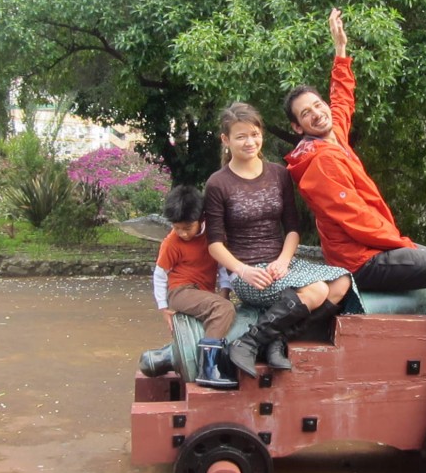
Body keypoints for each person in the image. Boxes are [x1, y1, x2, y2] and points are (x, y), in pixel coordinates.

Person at [283, 8, 426, 405]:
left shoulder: (332, 139)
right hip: (363, 259)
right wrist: (404, 244)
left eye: (317, 105)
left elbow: (342, 101)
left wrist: (340, 52)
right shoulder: (319, 162)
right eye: (307, 114)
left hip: (376, 248)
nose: (318, 113)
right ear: (298, 127)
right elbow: (356, 222)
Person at [204, 101, 354, 379]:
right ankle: (248, 342)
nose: (250, 142)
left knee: (343, 280)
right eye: (241, 136)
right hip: (248, 273)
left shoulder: (279, 174)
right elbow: (214, 243)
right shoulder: (217, 183)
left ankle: (274, 339)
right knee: (317, 290)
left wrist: (284, 261)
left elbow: (293, 228)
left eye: (255, 134)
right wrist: (243, 270)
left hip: (282, 264)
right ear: (226, 140)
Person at [145, 185, 238, 388]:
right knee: (223, 309)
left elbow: (222, 267)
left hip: (202, 291)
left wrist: (224, 292)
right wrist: (163, 308)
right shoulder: (171, 242)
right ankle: (208, 367)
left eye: (187, 228)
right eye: (177, 227)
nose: (182, 233)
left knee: (224, 307)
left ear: (202, 219)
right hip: (180, 291)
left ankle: (212, 358)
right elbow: (160, 275)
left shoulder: (213, 237)